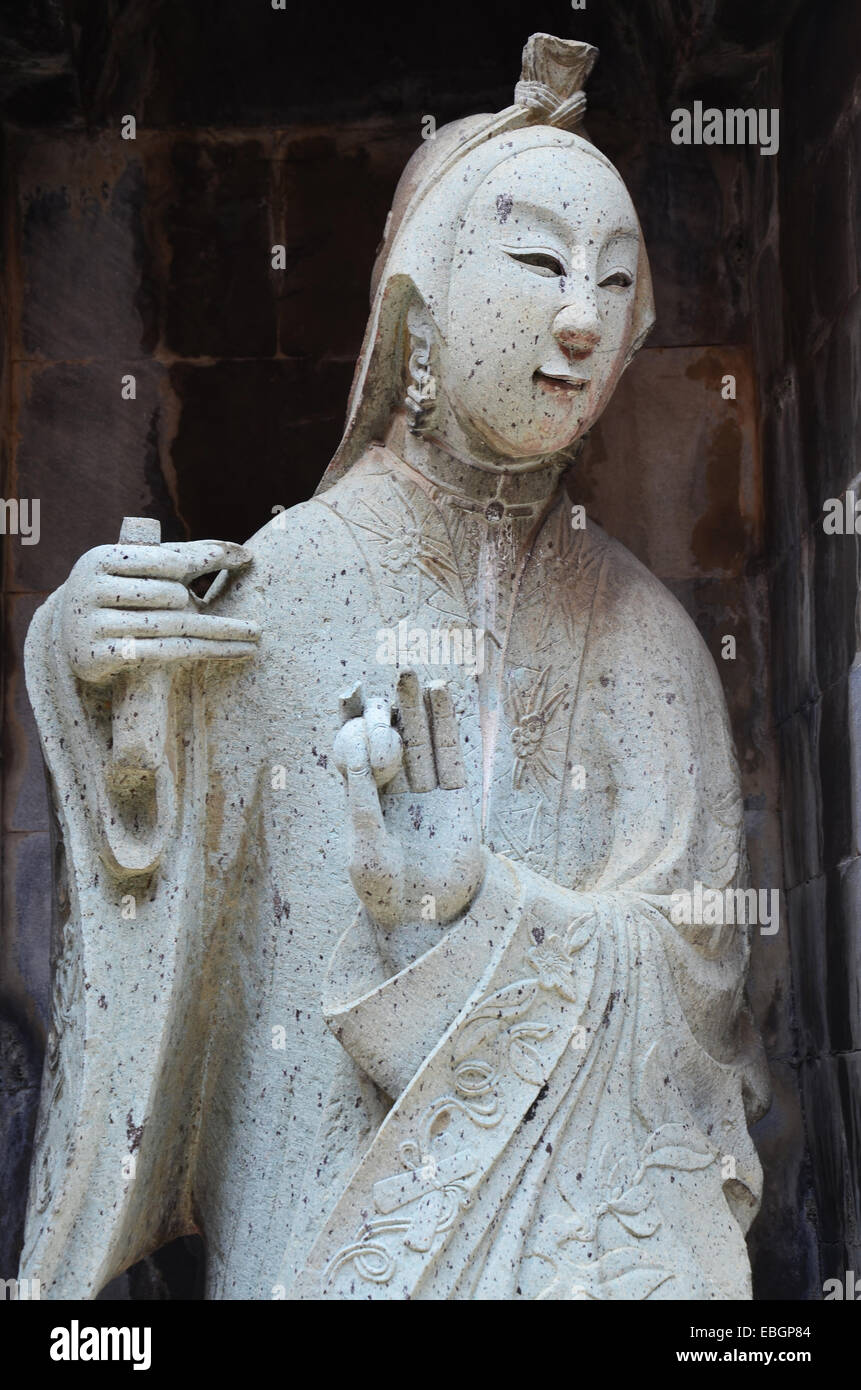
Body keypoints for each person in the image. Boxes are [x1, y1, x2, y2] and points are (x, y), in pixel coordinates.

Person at [20, 35, 767, 1300]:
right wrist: (87, 677)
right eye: (536, 262)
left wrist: (476, 913)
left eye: (615, 281)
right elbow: (159, 878)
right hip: (325, 1224)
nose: (580, 316)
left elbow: (702, 996)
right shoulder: (291, 583)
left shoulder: (650, 638)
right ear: (417, 308)